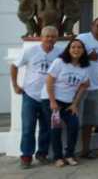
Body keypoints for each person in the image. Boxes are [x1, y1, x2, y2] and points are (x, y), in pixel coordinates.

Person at [11, 25, 61, 168]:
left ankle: (42, 154)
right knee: (28, 127)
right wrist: (15, 85)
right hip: (30, 95)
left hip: (48, 97)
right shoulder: (31, 51)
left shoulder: (60, 53)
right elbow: (14, 66)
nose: (50, 39)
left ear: (56, 38)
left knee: (46, 127)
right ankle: (26, 157)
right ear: (41, 37)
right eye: (47, 36)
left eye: (53, 36)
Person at [43, 39, 90, 167]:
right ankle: (58, 157)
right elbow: (49, 81)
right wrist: (52, 102)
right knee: (56, 129)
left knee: (74, 125)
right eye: (73, 47)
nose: (76, 50)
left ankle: (69, 155)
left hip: (69, 103)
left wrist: (75, 103)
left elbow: (85, 85)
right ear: (68, 49)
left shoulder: (84, 67)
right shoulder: (59, 62)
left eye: (79, 47)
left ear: (83, 50)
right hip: (52, 100)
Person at [76, 17, 98, 159]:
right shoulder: (82, 38)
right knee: (75, 121)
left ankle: (85, 150)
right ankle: (70, 151)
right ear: (92, 25)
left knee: (88, 122)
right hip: (80, 87)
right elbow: (71, 56)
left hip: (96, 87)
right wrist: (87, 57)